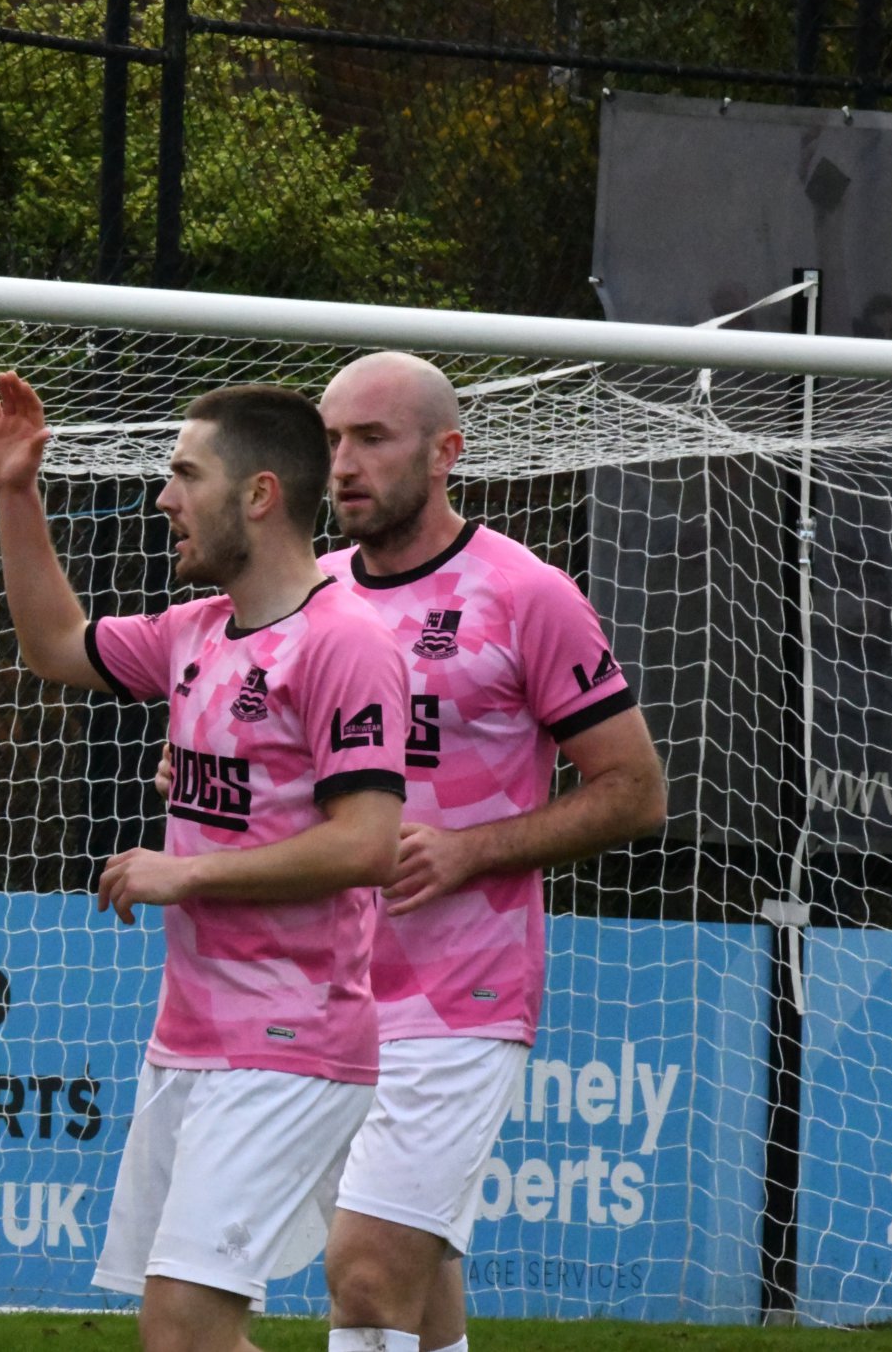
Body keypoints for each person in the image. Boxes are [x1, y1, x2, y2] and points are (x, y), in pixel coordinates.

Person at [0, 372, 407, 1352]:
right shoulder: (195, 632)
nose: (164, 497)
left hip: (291, 1037)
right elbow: (54, 644)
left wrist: (187, 872)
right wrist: (15, 491)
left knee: (183, 1325)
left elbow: (367, 842)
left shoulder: (344, 644)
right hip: (194, 1035)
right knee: (183, 1333)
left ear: (258, 495)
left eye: (185, 475)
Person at [313, 351, 668, 1352]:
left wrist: (470, 851)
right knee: (416, 1279)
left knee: (366, 1272)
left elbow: (634, 790)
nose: (343, 463)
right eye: (331, 440)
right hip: (323, 984)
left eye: (371, 438)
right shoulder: (312, 595)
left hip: (458, 994)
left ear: (444, 453)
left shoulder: (524, 593)